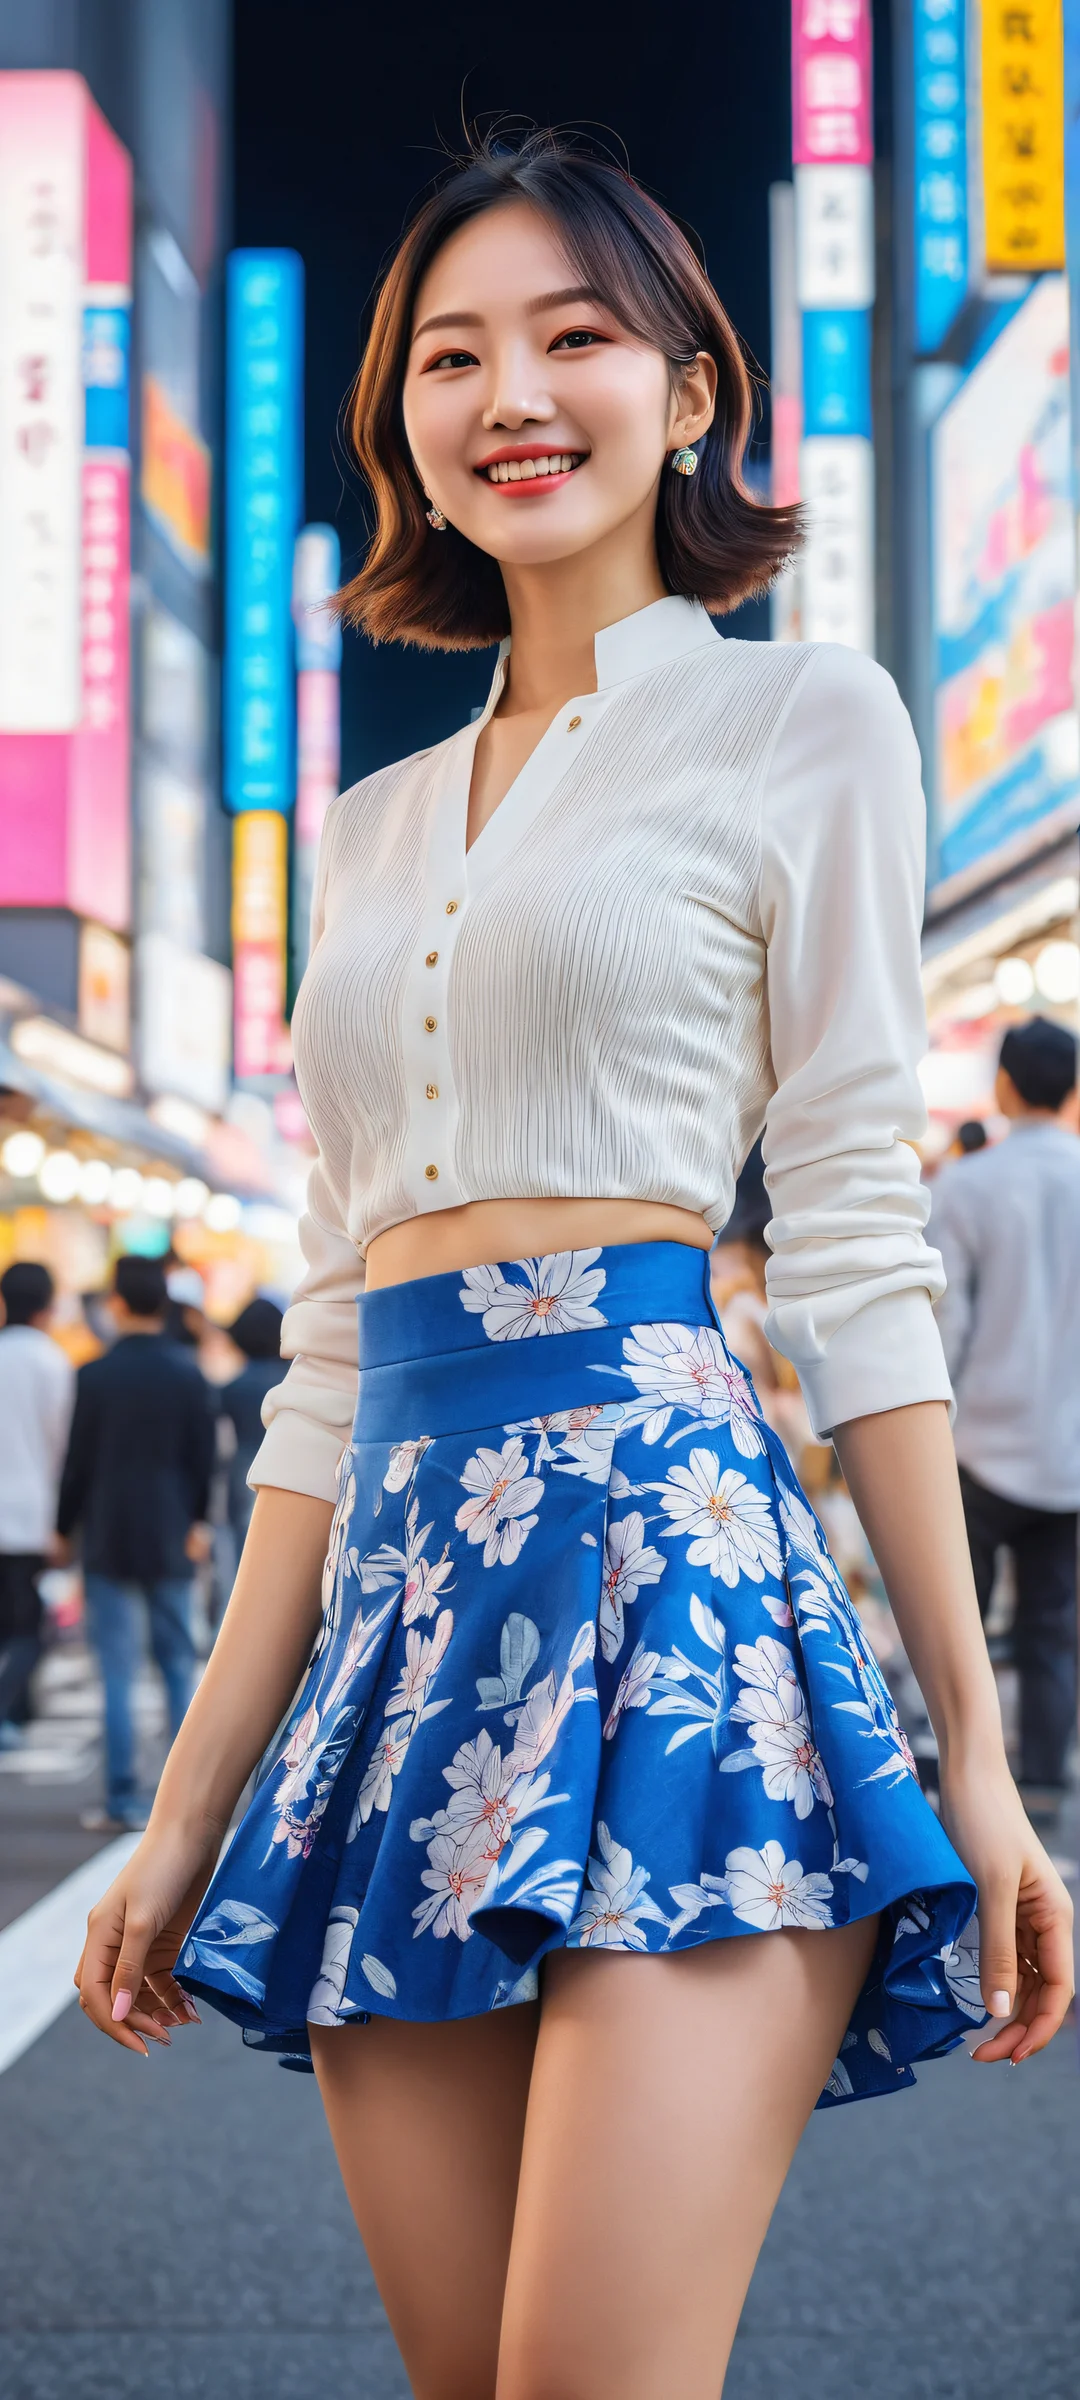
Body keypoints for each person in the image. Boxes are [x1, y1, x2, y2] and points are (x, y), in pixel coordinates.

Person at [75, 134, 1072, 2400]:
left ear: (694, 383)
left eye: (574, 334)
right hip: (402, 1626)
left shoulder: (799, 717)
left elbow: (846, 1232)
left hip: (680, 1590)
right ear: (400, 421)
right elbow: (325, 1351)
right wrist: (180, 1807)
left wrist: (980, 1751)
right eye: (451, 353)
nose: (508, 391)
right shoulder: (362, 825)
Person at [931, 1016, 1080, 1825]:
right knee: (1051, 1622)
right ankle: (1048, 1783)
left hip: (980, 1442)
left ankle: (971, 1777)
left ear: (1005, 1087)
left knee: (963, 1619)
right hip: (1069, 1453)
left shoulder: (967, 1186)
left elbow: (943, 1326)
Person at [58, 1254, 216, 1832]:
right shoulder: (188, 1371)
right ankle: (186, 1806)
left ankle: (122, 1798)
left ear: (117, 1304)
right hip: (172, 1531)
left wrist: (63, 1528)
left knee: (119, 1670)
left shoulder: (94, 1374)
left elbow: (77, 1464)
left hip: (108, 1531)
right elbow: (204, 1461)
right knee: (177, 1665)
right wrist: (198, 1521)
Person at [0, 1262, 74, 1747]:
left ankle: (19, 1711)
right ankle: (8, 1707)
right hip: (31, 1516)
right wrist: (64, 1525)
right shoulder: (52, 1361)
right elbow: (60, 1445)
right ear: (48, 1305)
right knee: (28, 1626)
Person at [217, 1298, 285, 1550]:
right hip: (294, 1471)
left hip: (244, 1473)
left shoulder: (230, 1389)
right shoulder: (296, 1382)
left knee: (246, 1551)